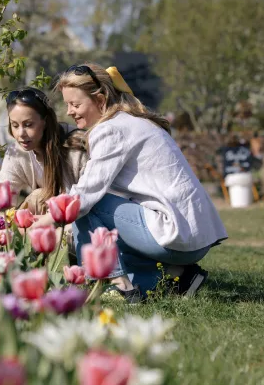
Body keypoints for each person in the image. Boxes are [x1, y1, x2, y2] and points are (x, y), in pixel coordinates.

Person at [32, 64, 227, 301]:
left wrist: (39, 225)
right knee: (109, 237)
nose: (70, 112)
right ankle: (177, 277)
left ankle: (116, 284)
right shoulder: (131, 122)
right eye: (67, 104)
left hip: (174, 234)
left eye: (75, 104)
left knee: (84, 208)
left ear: (100, 99)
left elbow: (84, 197)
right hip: (192, 237)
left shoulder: (111, 129)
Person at [0, 87, 87, 214]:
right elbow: (3, 199)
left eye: (28, 124)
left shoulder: (76, 146)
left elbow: (88, 198)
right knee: (37, 197)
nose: (20, 134)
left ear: (45, 122)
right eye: (15, 125)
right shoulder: (16, 153)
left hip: (82, 215)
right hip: (49, 216)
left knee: (39, 197)